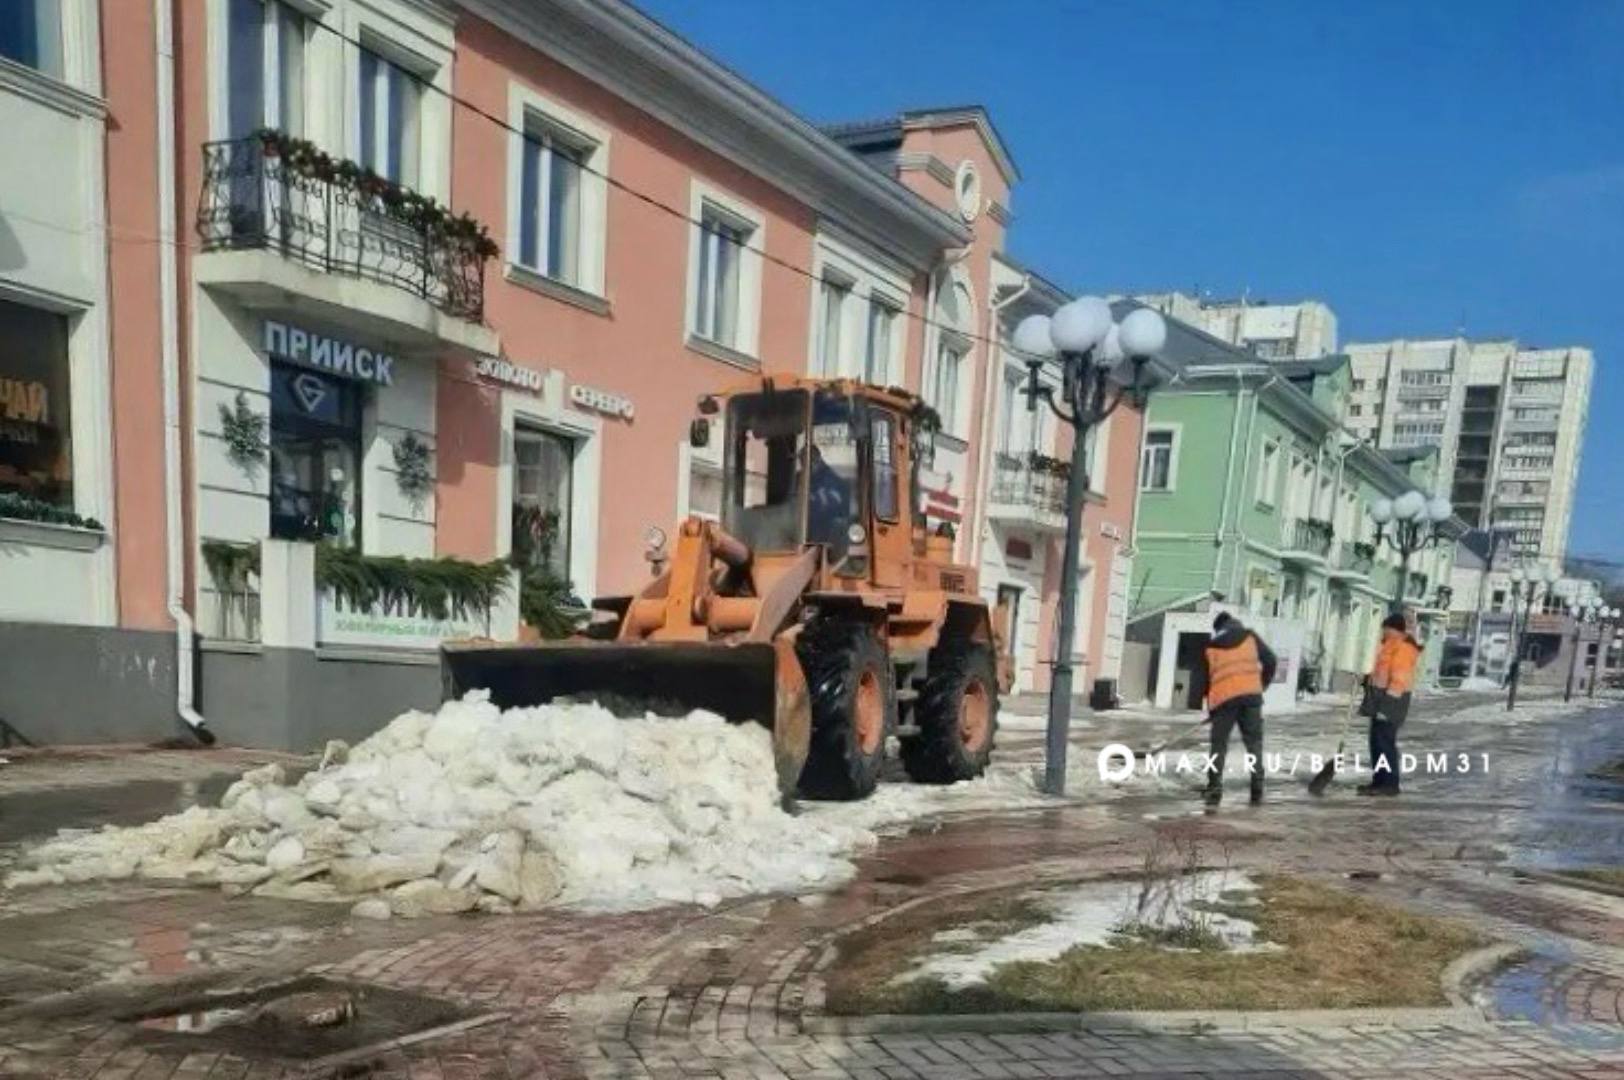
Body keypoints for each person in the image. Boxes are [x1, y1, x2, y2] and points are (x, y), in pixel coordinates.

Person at [1191, 611, 1278, 808]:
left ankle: (1214, 787)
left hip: (1223, 702)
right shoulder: (1250, 636)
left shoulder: (1211, 647)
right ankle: (1257, 787)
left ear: (1218, 628)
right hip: (1251, 699)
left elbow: (1203, 681)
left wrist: (1210, 707)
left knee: (1219, 745)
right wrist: (1260, 686)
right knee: (1254, 744)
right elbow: (1271, 660)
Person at [1358, 612, 1422, 797]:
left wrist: (1387, 707)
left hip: (1392, 701)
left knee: (1385, 743)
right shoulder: (1389, 646)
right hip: (1381, 699)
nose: (1382, 632)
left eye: (1385, 628)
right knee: (1376, 743)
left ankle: (1390, 783)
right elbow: (1383, 674)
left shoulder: (1402, 648)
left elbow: (1399, 679)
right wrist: (1368, 680)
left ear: (1392, 629)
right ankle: (1379, 781)